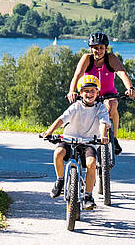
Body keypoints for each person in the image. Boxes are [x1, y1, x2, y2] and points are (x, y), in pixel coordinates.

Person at [41, 74, 111, 210]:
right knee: (58, 153)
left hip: (89, 143)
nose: (89, 94)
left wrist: (103, 136)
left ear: (98, 92)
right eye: (86, 91)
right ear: (80, 93)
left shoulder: (101, 108)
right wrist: (48, 132)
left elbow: (103, 123)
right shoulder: (76, 106)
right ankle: (60, 180)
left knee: (91, 164)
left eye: (92, 91)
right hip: (69, 140)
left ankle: (88, 196)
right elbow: (61, 120)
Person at [67, 32, 135, 155]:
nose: (98, 51)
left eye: (101, 48)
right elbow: (77, 75)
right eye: (95, 48)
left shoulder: (111, 58)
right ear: (90, 48)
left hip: (109, 95)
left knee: (112, 104)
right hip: (90, 95)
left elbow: (121, 73)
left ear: (106, 48)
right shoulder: (87, 59)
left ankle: (114, 139)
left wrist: (129, 87)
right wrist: (72, 91)